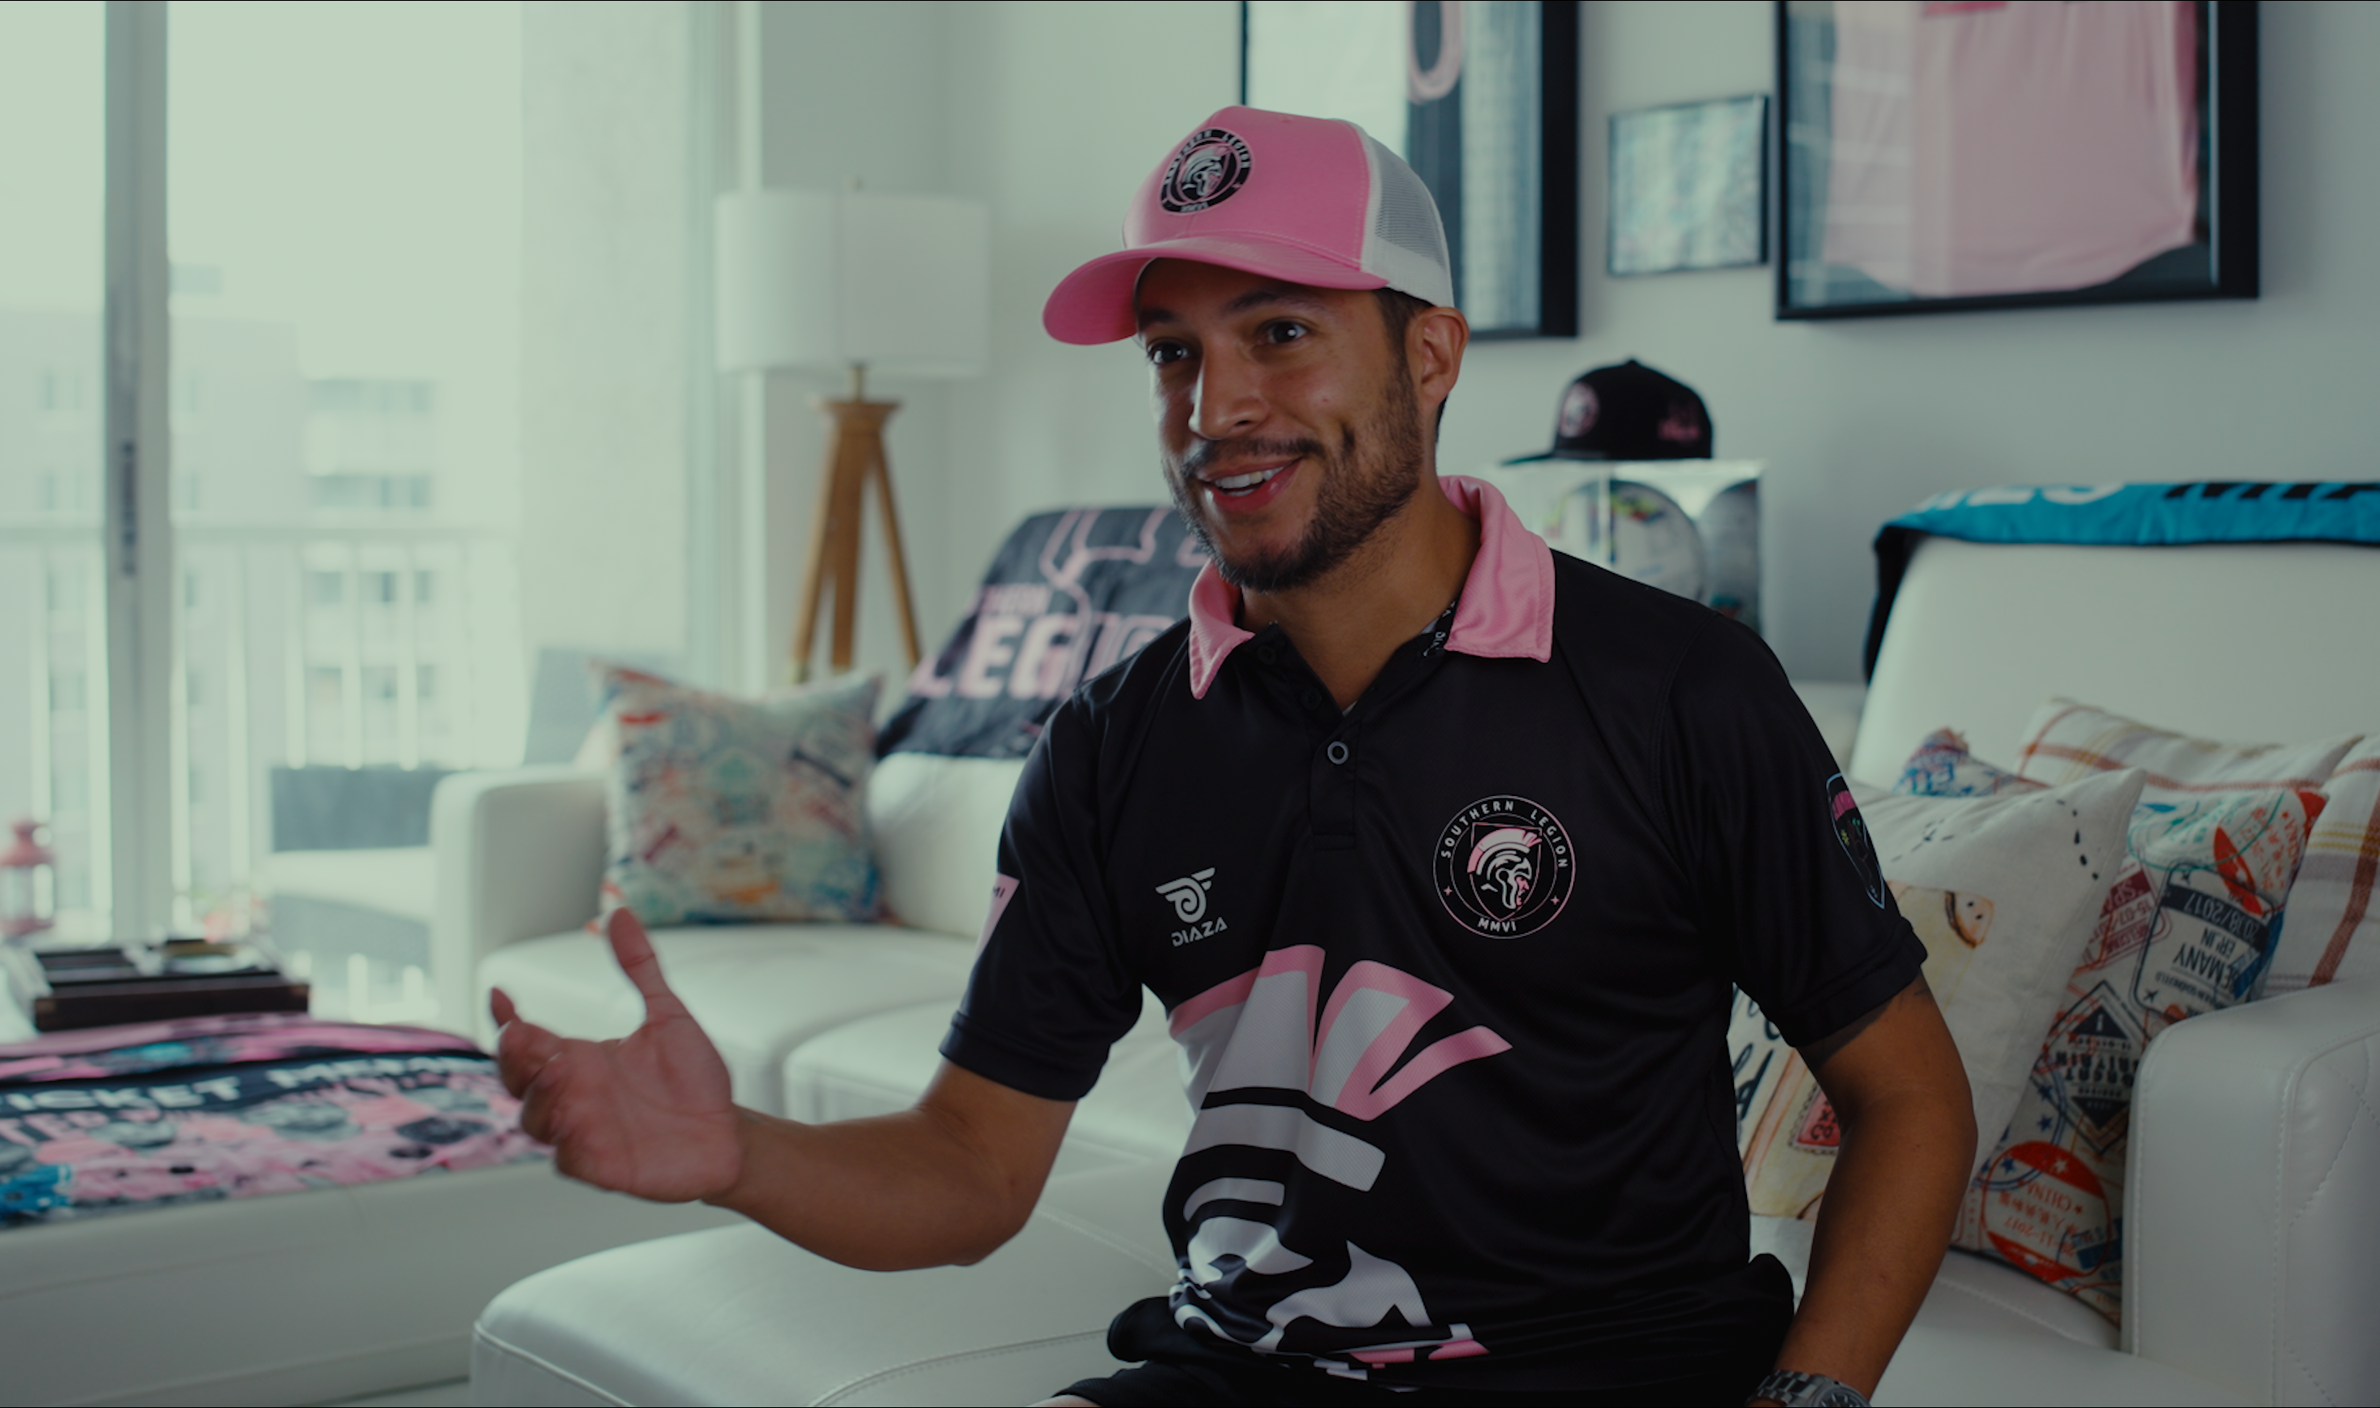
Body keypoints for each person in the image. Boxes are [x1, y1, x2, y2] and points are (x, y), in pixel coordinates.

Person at [492, 106, 1975, 1408]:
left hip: (1622, 1370)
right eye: (1173, 355)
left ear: (1432, 352)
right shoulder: (1111, 743)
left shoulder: (1678, 688)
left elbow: (1908, 1096)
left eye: (1280, 332)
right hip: (1244, 1371)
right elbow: (970, 1169)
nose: (1218, 410)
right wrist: (730, 1151)